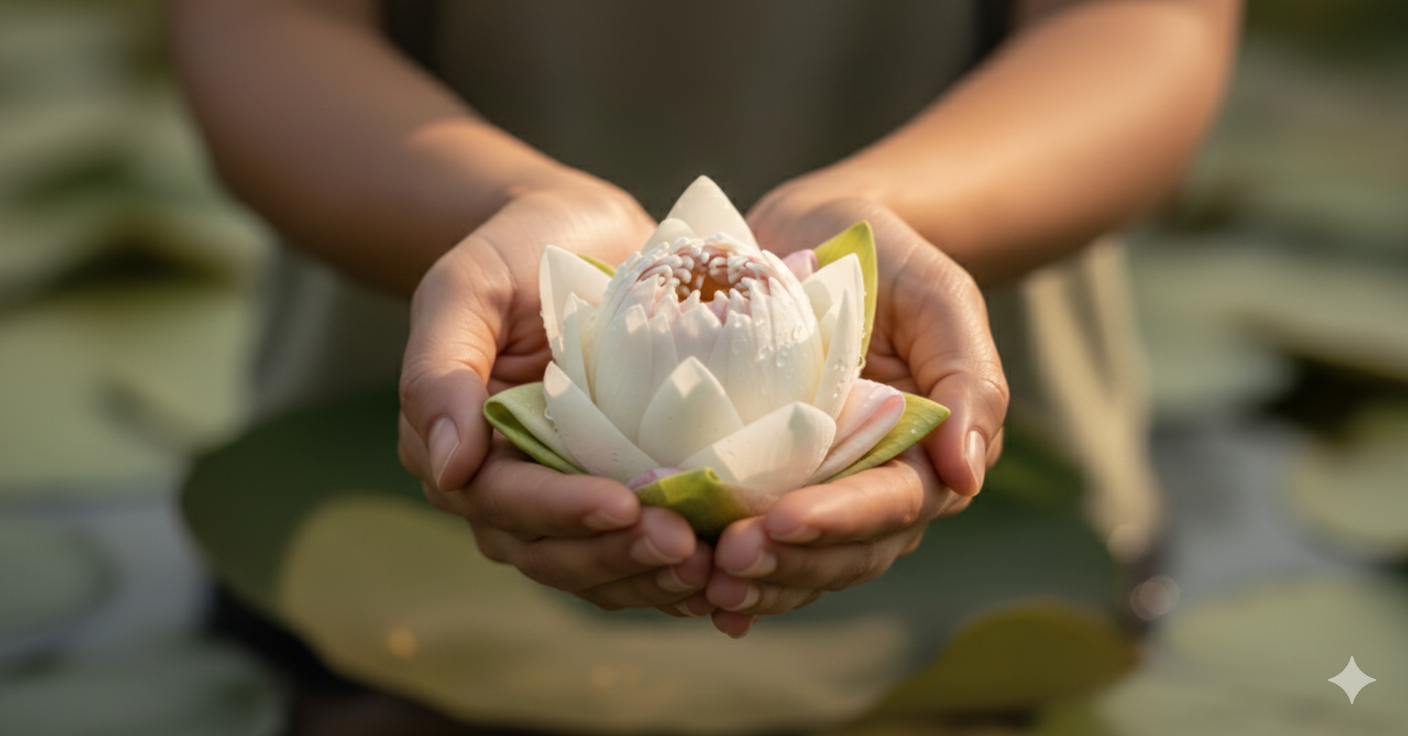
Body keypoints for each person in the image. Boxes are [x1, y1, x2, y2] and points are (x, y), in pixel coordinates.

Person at [167, 0, 1239, 673]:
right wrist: (499, 204)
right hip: (374, 560)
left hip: (997, 586)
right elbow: (258, 19)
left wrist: (896, 210)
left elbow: (1151, 23)